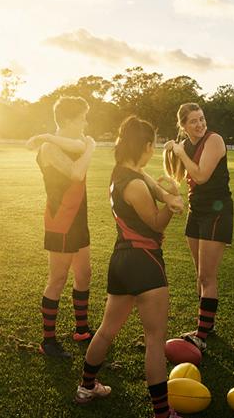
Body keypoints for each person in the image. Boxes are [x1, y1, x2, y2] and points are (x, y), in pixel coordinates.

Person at [75, 116, 184, 418]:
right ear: (148, 145)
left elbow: (153, 185)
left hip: (121, 262)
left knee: (107, 330)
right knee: (154, 340)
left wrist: (168, 193)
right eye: (154, 144)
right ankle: (162, 413)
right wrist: (172, 205)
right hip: (144, 262)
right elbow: (156, 224)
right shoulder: (135, 183)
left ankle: (86, 387)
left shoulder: (122, 172)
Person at [26, 96, 97, 358]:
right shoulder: (49, 150)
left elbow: (78, 145)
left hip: (79, 219)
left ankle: (81, 330)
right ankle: (48, 341)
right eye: (82, 118)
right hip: (61, 220)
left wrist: (84, 143)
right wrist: (91, 147)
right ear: (67, 120)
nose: (85, 122)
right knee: (58, 279)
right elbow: (77, 173)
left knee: (84, 274)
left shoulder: (70, 143)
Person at [163, 103, 233, 352]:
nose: (200, 124)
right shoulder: (187, 144)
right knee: (199, 275)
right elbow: (179, 176)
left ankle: (201, 336)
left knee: (207, 275)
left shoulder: (214, 140)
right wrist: (172, 152)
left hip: (217, 212)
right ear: (183, 125)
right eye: (193, 121)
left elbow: (202, 176)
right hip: (197, 211)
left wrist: (181, 153)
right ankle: (206, 324)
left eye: (201, 119)